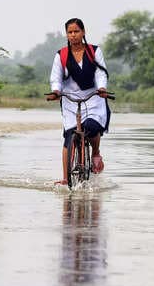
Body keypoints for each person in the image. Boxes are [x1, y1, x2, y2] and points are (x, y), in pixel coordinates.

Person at [46, 18, 110, 185]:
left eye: (76, 31)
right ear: (66, 34)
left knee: (92, 126)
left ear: (83, 32)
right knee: (69, 136)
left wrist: (102, 88)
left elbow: (101, 73)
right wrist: (56, 91)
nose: (73, 35)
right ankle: (66, 178)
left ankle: (95, 153)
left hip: (93, 96)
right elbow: (56, 77)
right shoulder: (61, 55)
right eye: (70, 32)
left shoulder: (94, 51)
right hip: (70, 99)